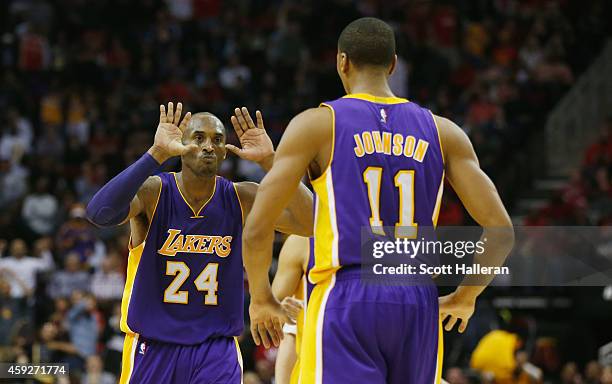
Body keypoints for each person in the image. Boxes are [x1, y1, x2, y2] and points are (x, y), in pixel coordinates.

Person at [242, 17, 514, 383]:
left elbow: (259, 225)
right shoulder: (444, 131)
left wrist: (260, 298)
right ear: (393, 64)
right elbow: (501, 231)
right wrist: (466, 296)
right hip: (416, 295)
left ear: (342, 62)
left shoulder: (317, 124)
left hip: (347, 294)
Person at [86, 102, 312, 383]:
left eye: (217, 140)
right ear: (181, 145)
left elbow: (312, 222)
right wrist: (155, 154)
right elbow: (99, 213)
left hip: (215, 349)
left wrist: (271, 161)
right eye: (199, 138)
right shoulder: (154, 193)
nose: (208, 146)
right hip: (154, 346)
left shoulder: (241, 198)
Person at [271, 235, 310, 384]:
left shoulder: (378, 236)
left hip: (364, 345)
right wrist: (279, 309)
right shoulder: (302, 241)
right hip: (306, 346)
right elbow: (269, 311)